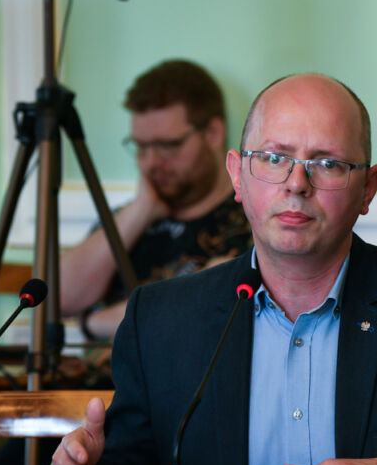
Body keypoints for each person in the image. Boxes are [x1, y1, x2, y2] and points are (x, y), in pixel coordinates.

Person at [50, 73, 377, 465]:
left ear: (368, 188)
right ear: (237, 175)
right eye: (274, 159)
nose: (297, 184)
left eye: (328, 164)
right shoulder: (162, 319)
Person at [59, 59, 252, 340]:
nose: (151, 162)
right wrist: (139, 212)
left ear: (213, 134)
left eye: (167, 146)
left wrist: (92, 323)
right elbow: (57, 298)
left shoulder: (250, 222)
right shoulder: (130, 217)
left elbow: (200, 313)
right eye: (141, 147)